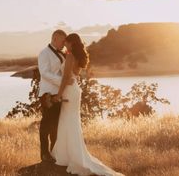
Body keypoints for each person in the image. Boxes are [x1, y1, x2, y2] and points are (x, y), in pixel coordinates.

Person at [51, 33, 124, 176]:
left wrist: (58, 95)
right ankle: (70, 155)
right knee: (71, 122)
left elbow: (66, 77)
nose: (64, 44)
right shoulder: (77, 56)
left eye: (66, 42)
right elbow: (71, 75)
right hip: (75, 90)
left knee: (68, 121)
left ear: (71, 43)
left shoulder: (71, 56)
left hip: (69, 91)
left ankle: (71, 157)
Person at [37, 29, 68, 163]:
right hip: (47, 93)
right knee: (46, 124)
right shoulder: (44, 53)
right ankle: (44, 154)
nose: (64, 44)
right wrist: (62, 81)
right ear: (55, 39)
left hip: (59, 93)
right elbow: (44, 73)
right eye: (62, 41)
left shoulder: (62, 53)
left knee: (56, 125)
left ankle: (54, 152)